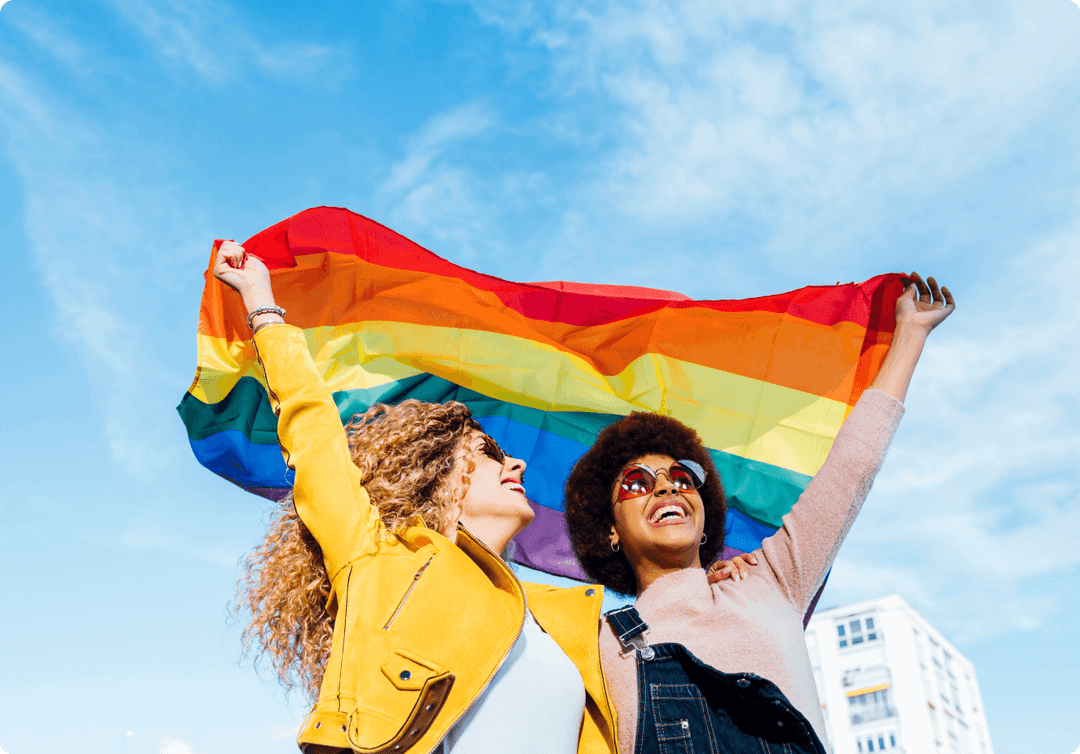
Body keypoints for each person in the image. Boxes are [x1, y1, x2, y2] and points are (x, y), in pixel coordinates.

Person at [213, 241, 753, 754]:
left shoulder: (565, 618)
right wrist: (261, 304)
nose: (515, 463)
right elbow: (313, 433)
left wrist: (697, 584)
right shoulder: (378, 561)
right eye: (490, 452)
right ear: (438, 474)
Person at [563, 274, 955, 754]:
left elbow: (851, 469)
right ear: (608, 531)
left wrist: (911, 334)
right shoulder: (595, 644)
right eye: (637, 483)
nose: (666, 485)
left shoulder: (773, 581)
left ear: (707, 518)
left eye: (683, 479)